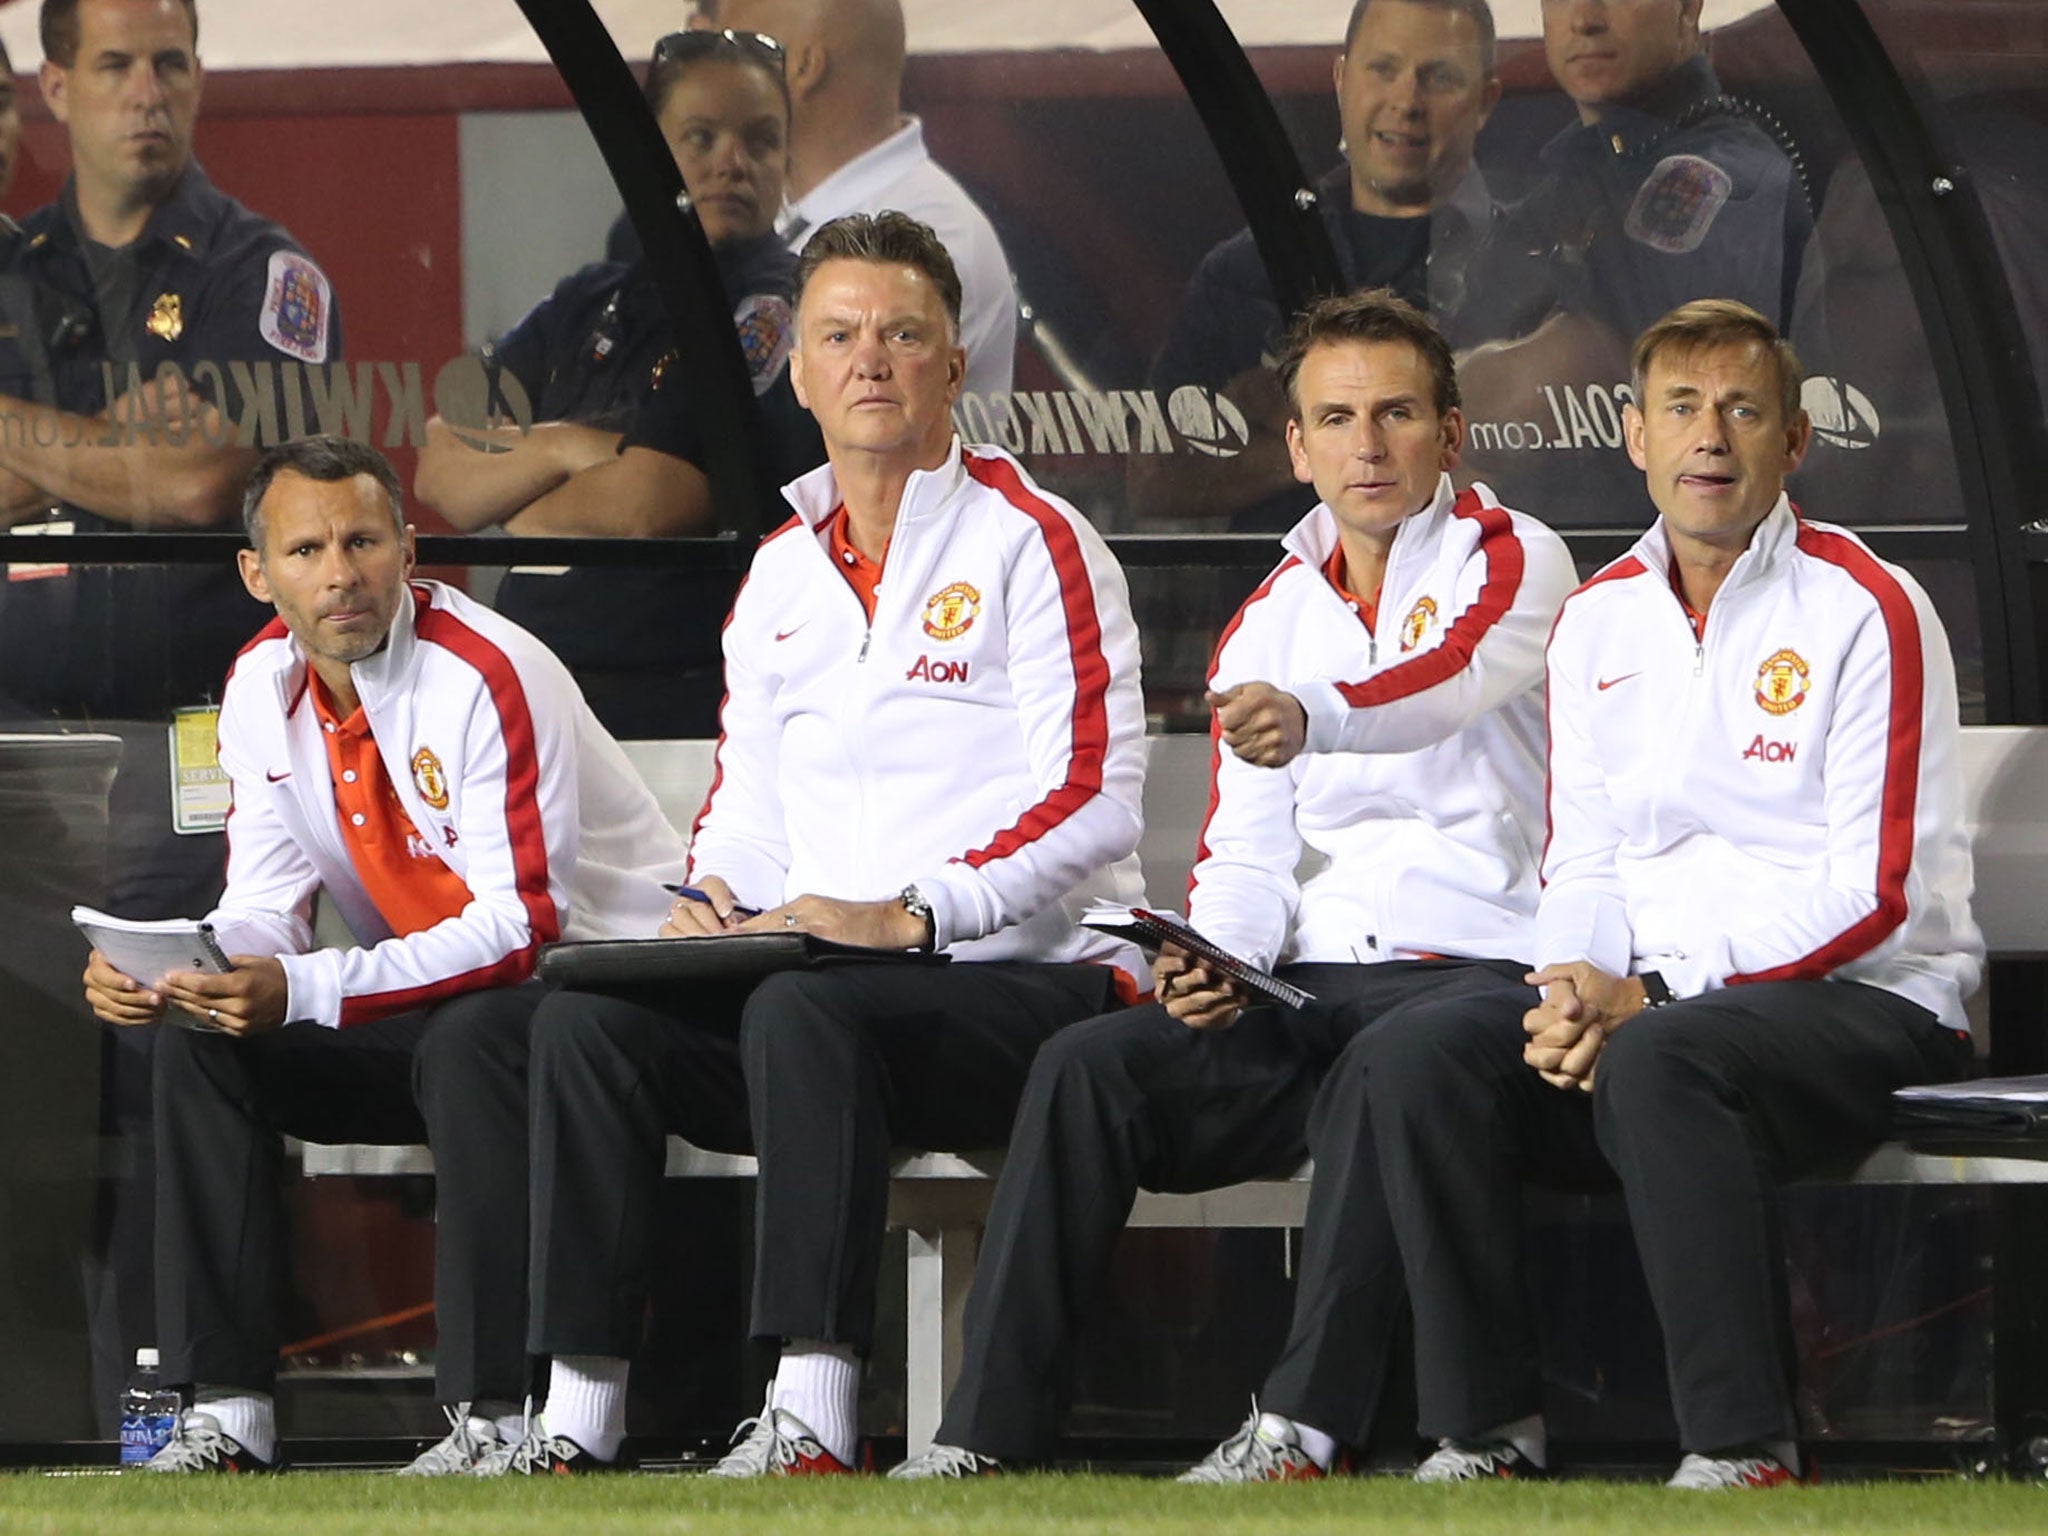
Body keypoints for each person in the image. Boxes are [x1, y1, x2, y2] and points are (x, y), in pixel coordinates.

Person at [477, 212, 1144, 1476]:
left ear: (954, 366)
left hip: (1017, 988)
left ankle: (813, 1410)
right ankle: (576, 1412)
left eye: (903, 335)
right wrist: (715, 891)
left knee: (799, 1011)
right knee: (587, 1027)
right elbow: (745, 798)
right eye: (839, 335)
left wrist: (915, 911)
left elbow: (1096, 797)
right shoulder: (782, 571)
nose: (870, 361)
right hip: (825, 1000)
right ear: (799, 369)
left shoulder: (1032, 541)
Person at [890, 289, 1576, 1480]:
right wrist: (1217, 958)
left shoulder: (1514, 558)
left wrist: (1314, 716)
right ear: (1296, 447)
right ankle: (983, 1437)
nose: (1367, 445)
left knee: (1392, 1064)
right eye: (1336, 418)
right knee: (1089, 1067)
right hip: (1313, 988)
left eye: (1396, 413)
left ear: (1449, 435)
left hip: (1485, 980)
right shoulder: (1270, 613)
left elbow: (1444, 684)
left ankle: (1356, 1427)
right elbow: (1247, 849)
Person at [1355, 300, 1981, 1488]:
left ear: (1791, 443)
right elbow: (1581, 859)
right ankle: (1484, 1430)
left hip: (1868, 1001)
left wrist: (1651, 994)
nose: (1709, 436)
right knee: (1421, 1050)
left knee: (1660, 1059)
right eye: (1681, 409)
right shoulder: (1596, 621)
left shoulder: (1867, 606)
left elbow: (1873, 891)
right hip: (1661, 1010)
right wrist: (1569, 988)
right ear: (1632, 436)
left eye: (1741, 410)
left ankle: (1741, 1445)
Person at [79, 436, 690, 1475]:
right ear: (256, 573)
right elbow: (268, 902)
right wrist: (186, 968)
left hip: (604, 1008)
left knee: (471, 1038)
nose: (339, 572)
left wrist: (307, 984)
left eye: (362, 540)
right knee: (204, 1042)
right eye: (307, 548)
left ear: (408, 550)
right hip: (436, 1004)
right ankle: (226, 1413)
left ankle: (490, 1416)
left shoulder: (486, 672)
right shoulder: (256, 687)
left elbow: (519, 929)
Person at [0, 0, 345, 1434]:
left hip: (192, 747)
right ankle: (35, 1419)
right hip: (21, 741)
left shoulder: (262, 271)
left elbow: (214, 487)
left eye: (175, 64)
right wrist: (116, 451)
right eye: (120, 66)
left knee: (163, 1066)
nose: (151, 93)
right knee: (22, 1095)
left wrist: (20, 440)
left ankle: (169, 1406)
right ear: (54, 85)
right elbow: (159, 465)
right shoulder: (13, 272)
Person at [415, 27, 823, 738]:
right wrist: (571, 449)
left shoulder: (776, 306)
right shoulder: (588, 297)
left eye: (761, 142)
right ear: (649, 153)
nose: (733, 161)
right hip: (533, 699)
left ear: (787, 161)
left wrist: (517, 492)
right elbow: (443, 473)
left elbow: (650, 505)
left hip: (681, 711)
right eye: (700, 138)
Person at [1130, 0, 1501, 532]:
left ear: (1486, 101)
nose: (1406, 100)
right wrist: (1328, 452)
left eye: (1438, 77)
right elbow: (1155, 478)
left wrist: (1296, 432)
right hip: (1285, 603)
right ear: (1342, 79)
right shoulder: (1241, 273)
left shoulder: (1536, 264)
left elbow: (1564, 476)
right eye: (1383, 69)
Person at [1456, 0, 1808, 518]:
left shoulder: (1719, 179)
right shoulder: (1577, 181)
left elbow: (1567, 371)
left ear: (1688, 8)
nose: (1584, 19)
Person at [696, 0, 1017, 401]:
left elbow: (798, 431)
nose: (709, 76)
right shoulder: (772, 207)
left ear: (803, 67)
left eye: (731, 50)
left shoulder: (931, 238)